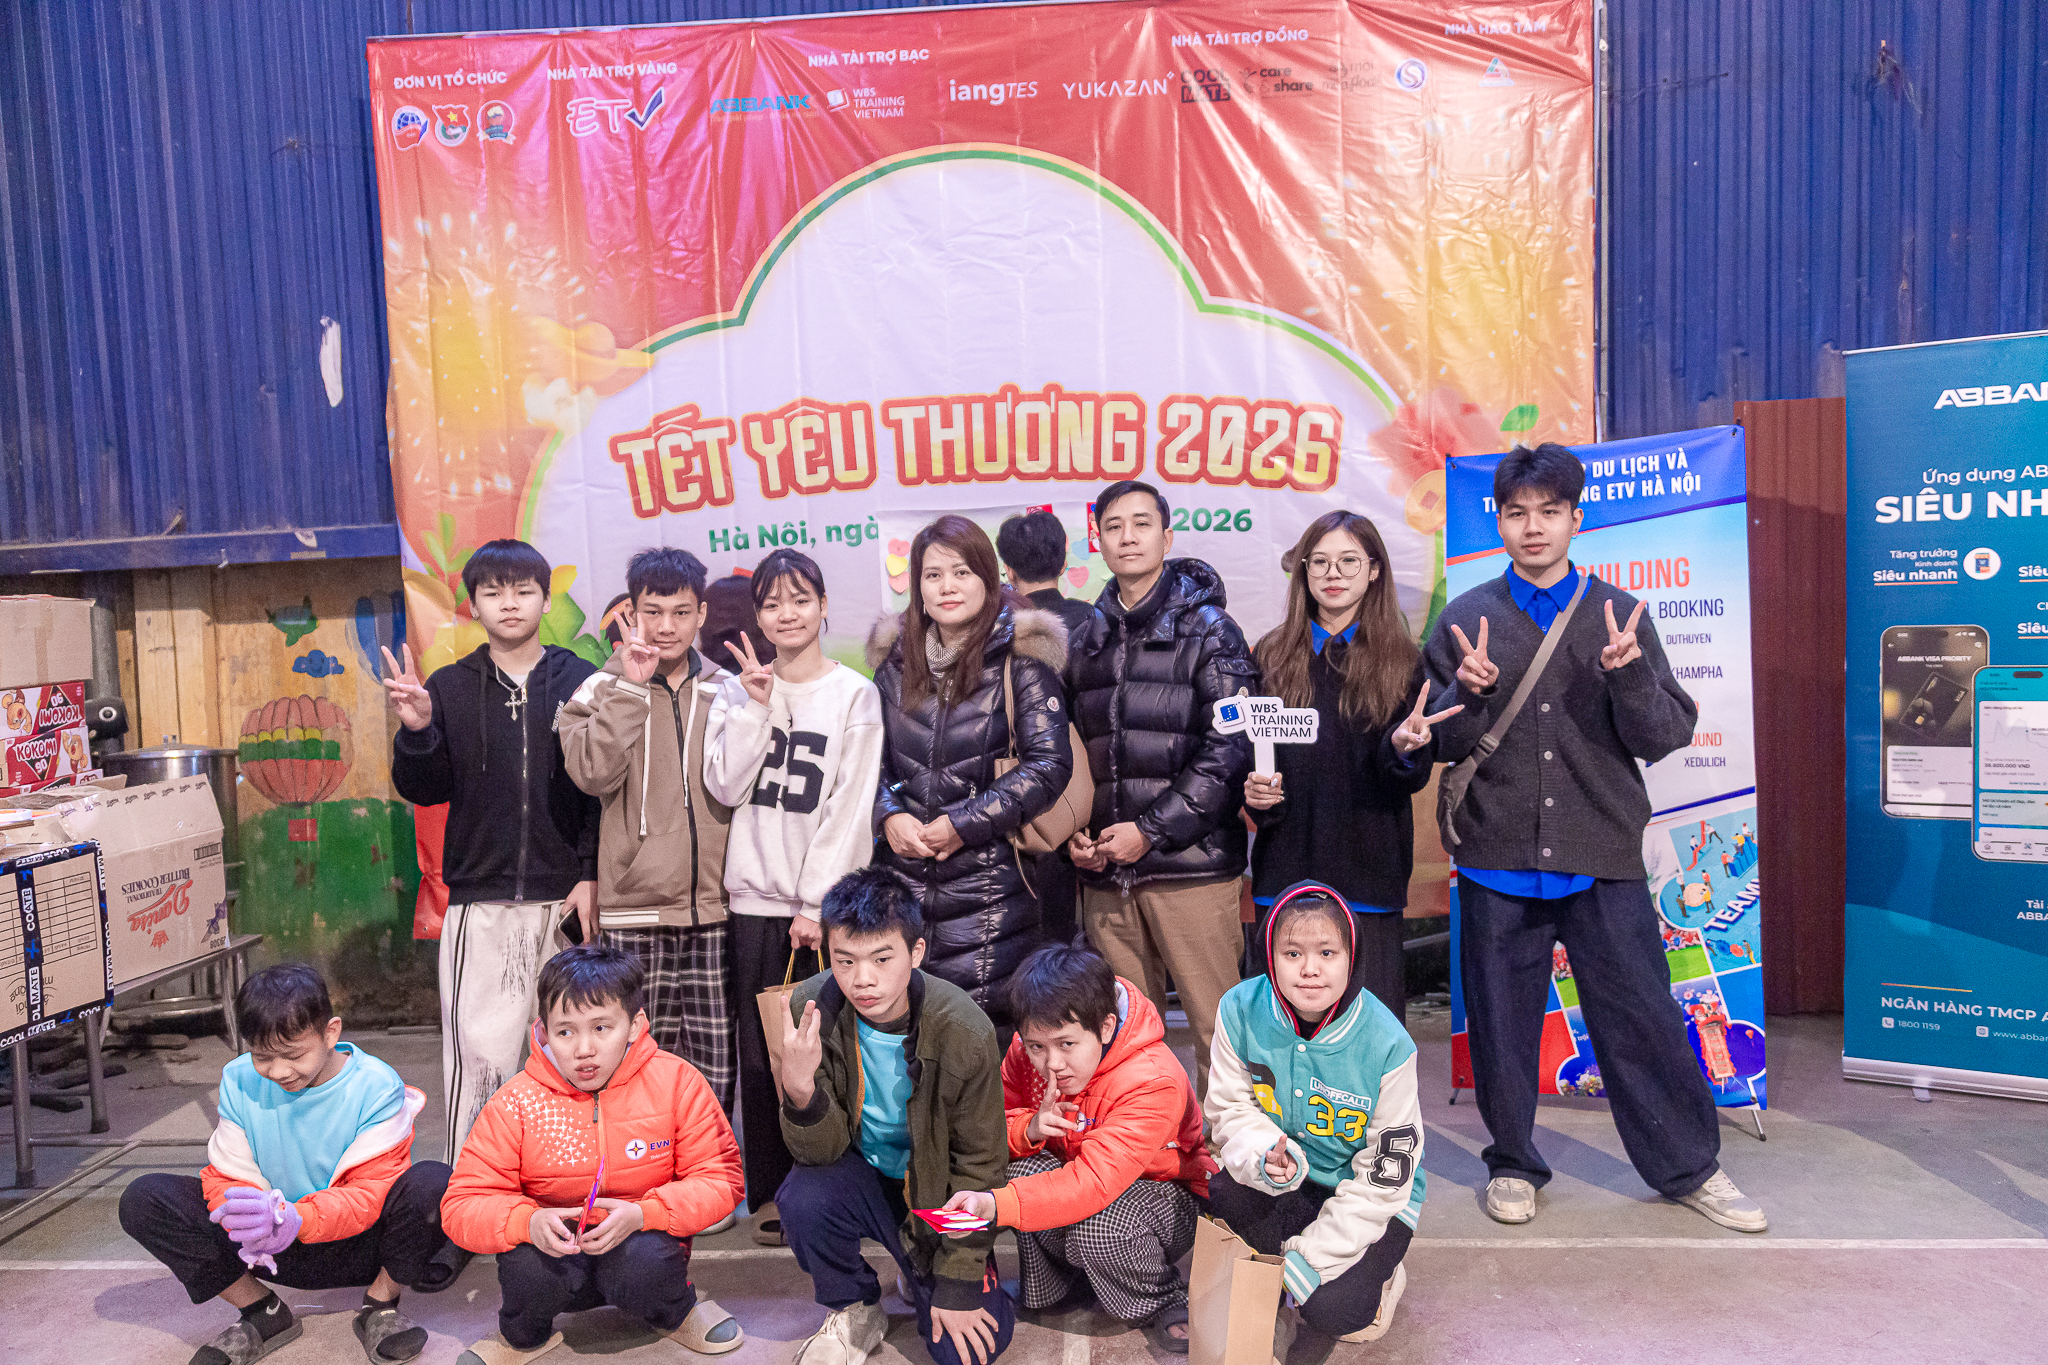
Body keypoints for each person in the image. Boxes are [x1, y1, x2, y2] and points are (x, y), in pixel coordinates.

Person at [1420, 441, 1766, 1232]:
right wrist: (1465, 692)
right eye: (1517, 512)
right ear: (1498, 521)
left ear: (1576, 518)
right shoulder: (1465, 618)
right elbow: (1436, 740)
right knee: (1501, 1025)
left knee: (1643, 1017)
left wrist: (1629, 672)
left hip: (1602, 855)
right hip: (1497, 857)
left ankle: (1689, 1167)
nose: (1533, 527)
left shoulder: (1621, 613)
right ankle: (1514, 1161)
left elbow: (1663, 736)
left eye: (1550, 511)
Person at [119, 964, 460, 1365]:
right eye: (262, 1056)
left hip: (361, 1246)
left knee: (434, 1182)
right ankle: (261, 1312)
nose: (279, 1071)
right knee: (144, 1198)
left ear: (330, 1033)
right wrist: (253, 1219)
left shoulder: (376, 1086)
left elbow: (370, 1193)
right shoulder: (239, 1080)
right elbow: (227, 1172)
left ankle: (381, 1304)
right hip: (268, 1249)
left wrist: (294, 1219)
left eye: (294, 1054)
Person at [382, 538, 600, 1159]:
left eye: (523, 591)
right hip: (480, 905)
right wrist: (418, 731)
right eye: (493, 592)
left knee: (574, 1055)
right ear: (473, 605)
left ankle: (566, 1178)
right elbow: (425, 789)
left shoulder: (581, 681)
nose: (509, 604)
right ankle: (476, 1189)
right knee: (482, 1059)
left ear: (546, 600)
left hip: (564, 903)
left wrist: (588, 873)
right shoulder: (450, 686)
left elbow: (600, 791)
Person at [441, 944, 747, 1365]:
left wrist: (645, 1214)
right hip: (557, 1255)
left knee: (648, 1261)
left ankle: (675, 1314)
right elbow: (462, 1203)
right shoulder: (516, 1101)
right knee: (525, 1266)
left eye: (601, 1027)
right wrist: (527, 1222)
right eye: (565, 1032)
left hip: (637, 1247)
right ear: (543, 1031)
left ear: (635, 1025)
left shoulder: (678, 1082)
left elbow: (721, 1179)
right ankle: (522, 1337)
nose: (584, 1048)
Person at [703, 548, 885, 1245]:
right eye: (772, 603)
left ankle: (839, 1185)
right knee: (763, 1055)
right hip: (752, 902)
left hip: (821, 909)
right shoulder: (736, 690)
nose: (787, 614)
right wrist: (755, 705)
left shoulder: (853, 694)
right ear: (757, 616)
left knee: (831, 1048)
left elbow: (850, 805)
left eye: (800, 599)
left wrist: (816, 904)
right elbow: (725, 785)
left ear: (824, 606)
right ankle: (776, 1191)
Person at [1064, 480, 1256, 1095]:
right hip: (1108, 877)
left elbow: (1230, 748)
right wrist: (1075, 834)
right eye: (1113, 526)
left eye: (1141, 524)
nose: (1128, 537)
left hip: (1192, 867)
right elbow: (1070, 754)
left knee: (1219, 1036)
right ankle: (1148, 1153)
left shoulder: (1212, 630)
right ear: (1098, 541)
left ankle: (1232, 1155)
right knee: (1124, 1042)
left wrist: (1149, 832)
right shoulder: (1085, 639)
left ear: (1167, 538)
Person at [775, 867, 1012, 1365]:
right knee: (803, 1197)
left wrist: (958, 1280)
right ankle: (855, 1306)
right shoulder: (811, 1007)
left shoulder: (964, 1030)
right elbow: (819, 1153)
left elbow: (980, 1167)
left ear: (916, 953)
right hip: (864, 1175)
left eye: (882, 959)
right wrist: (799, 1089)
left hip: (939, 1193)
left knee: (966, 1353)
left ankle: (921, 1264)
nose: (863, 979)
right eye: (845, 961)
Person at [938, 945, 1209, 1352]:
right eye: (1037, 1047)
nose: (1052, 1064)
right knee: (1015, 1171)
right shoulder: (1025, 1049)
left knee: (1098, 1227)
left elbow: (1094, 1182)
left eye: (1067, 1044)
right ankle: (1057, 1287)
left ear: (1106, 1027)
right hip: (1080, 1176)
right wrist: (1029, 1128)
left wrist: (997, 1206)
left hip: (1164, 1192)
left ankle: (1163, 1297)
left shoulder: (1153, 1079)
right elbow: (989, 1127)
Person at [1243, 511, 1458, 1023]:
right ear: (1303, 571)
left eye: (1348, 561)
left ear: (1375, 570)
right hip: (1285, 870)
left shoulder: (1404, 661)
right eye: (1319, 562)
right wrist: (1253, 792)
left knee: (1369, 1034)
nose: (1332, 573)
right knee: (1282, 1033)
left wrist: (1402, 748)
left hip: (1368, 874)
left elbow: (1408, 778)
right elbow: (1249, 755)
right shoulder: (1271, 654)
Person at [868, 515, 1074, 1040]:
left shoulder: (1021, 661)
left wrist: (963, 824)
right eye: (933, 575)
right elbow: (869, 764)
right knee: (909, 1040)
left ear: (988, 578)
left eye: (961, 572)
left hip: (993, 888)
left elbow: (1049, 764)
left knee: (987, 1039)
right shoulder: (893, 665)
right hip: (904, 884)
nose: (947, 587)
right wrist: (888, 815)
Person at [559, 548, 738, 1126]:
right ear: (630, 613)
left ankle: (707, 1169)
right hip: (634, 909)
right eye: (652, 612)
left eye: (681, 612)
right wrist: (631, 691)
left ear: (701, 614)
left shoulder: (728, 689)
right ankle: (639, 1168)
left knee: (713, 1068)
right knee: (632, 1063)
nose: (666, 627)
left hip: (714, 907)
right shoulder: (598, 689)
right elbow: (592, 774)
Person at [1205, 885, 1423, 1354]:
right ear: (1270, 956)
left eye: (1327, 952)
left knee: (1335, 1312)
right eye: (1292, 953)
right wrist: (1263, 1154)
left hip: (1369, 1195)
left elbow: (1384, 1178)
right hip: (1293, 1177)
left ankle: (1382, 1275)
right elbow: (1229, 1107)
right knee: (1225, 1191)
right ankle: (1280, 1282)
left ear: (1352, 957)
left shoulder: (1388, 1043)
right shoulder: (1239, 1008)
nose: (1309, 969)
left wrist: (1312, 1259)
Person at [994, 510, 1096, 946]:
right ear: (1064, 561)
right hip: (1083, 795)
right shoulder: (1093, 620)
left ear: (1007, 569)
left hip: (1011, 791)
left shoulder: (996, 629)